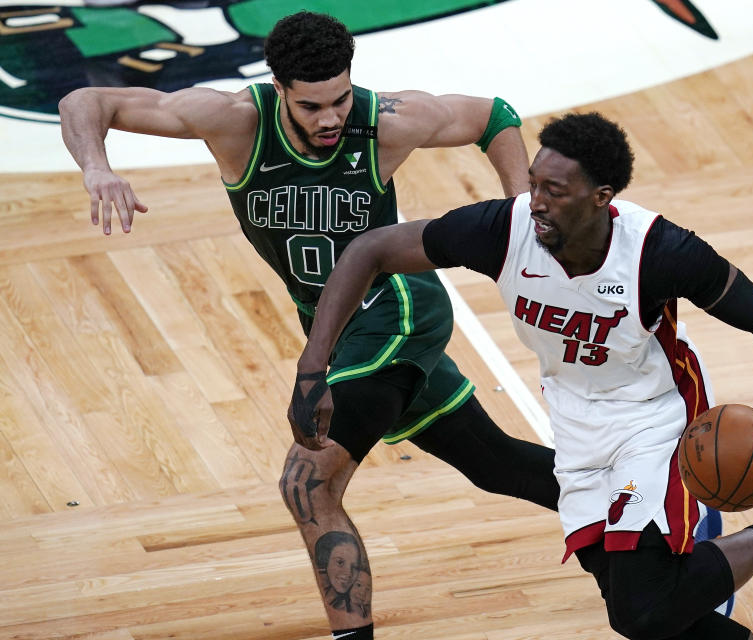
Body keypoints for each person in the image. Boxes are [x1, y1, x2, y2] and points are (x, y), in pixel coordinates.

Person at [295, 112, 753, 639]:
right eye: (533, 183)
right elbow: (369, 250)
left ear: (600, 196)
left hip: (657, 417)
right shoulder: (503, 231)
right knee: (648, 612)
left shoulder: (660, 251)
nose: (534, 201)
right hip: (577, 424)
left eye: (554, 191)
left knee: (641, 611)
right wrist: (313, 366)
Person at [58, 11, 561, 639]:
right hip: (337, 326)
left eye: (340, 99)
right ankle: (659, 520)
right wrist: (95, 167)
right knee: (496, 465)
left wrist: (520, 215)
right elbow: (87, 99)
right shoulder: (233, 119)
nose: (330, 118)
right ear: (279, 91)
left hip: (397, 307)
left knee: (307, 483)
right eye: (312, 105)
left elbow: (494, 116)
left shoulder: (387, 120)